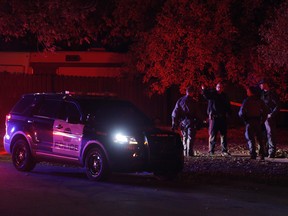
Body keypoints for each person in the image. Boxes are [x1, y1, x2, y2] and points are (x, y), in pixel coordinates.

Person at [238, 86, 269, 160]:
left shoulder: (247, 100)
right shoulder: (260, 100)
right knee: (260, 138)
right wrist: (263, 120)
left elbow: (241, 113)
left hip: (250, 121)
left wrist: (245, 120)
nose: (247, 92)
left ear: (250, 92)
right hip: (258, 121)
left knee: (250, 138)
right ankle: (262, 154)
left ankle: (253, 154)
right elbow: (265, 111)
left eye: (247, 91)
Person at [201, 81, 231, 156]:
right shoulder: (213, 94)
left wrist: (229, 114)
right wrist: (204, 89)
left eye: (220, 87)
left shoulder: (225, 96)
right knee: (212, 134)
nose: (219, 88)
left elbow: (228, 106)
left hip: (222, 117)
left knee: (223, 134)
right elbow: (206, 95)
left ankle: (224, 150)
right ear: (216, 87)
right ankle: (211, 150)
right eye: (218, 87)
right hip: (214, 118)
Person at [172, 86, 202, 157]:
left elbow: (175, 112)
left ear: (186, 92)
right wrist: (201, 120)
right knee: (190, 137)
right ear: (192, 92)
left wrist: (174, 122)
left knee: (184, 137)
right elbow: (198, 113)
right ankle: (189, 152)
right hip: (191, 121)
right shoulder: (194, 101)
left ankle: (185, 152)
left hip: (182, 121)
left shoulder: (180, 100)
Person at [259, 79, 280, 158]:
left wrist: (271, 114)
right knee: (264, 135)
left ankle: (272, 152)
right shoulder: (262, 94)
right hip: (262, 117)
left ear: (265, 84)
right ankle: (265, 151)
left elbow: (277, 105)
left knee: (270, 134)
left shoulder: (272, 94)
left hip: (269, 117)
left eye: (261, 84)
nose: (260, 86)